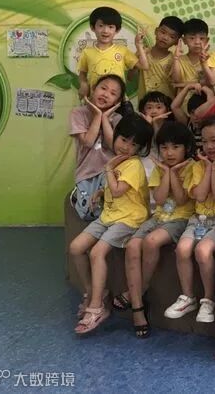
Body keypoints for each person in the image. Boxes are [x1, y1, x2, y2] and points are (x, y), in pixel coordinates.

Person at [69, 114, 153, 334]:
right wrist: (100, 192)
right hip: (109, 215)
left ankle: (97, 308)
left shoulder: (132, 164)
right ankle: (93, 292)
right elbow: (113, 190)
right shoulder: (118, 161)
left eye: (134, 144)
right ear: (115, 136)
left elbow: (117, 190)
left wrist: (107, 169)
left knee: (97, 252)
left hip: (129, 219)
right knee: (76, 247)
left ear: (140, 148)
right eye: (124, 140)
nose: (126, 147)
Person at [116, 122, 196, 338]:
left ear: (187, 148)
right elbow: (159, 199)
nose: (169, 153)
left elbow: (181, 199)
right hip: (158, 217)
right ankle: (138, 307)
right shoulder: (159, 168)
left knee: (151, 242)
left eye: (175, 147)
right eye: (164, 148)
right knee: (132, 246)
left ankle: (137, 293)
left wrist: (172, 174)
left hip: (180, 219)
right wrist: (166, 173)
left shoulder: (192, 167)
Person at [163, 116, 215, 323]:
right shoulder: (198, 166)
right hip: (199, 220)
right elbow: (201, 196)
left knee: (202, 251)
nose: (209, 146)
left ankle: (208, 300)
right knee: (182, 249)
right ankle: (188, 297)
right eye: (204, 141)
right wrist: (209, 168)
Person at [69, 74, 125, 221]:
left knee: (111, 211)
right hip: (86, 172)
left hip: (110, 171)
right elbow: (88, 142)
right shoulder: (78, 113)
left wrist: (105, 118)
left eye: (113, 93)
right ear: (93, 89)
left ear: (117, 101)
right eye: (103, 88)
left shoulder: (117, 119)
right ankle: (78, 196)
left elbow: (115, 147)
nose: (106, 94)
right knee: (88, 213)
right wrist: (97, 115)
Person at [77, 6, 140, 99]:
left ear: (117, 30)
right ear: (92, 27)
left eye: (110, 27)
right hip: (94, 99)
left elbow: (138, 66)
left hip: (118, 100)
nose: (105, 31)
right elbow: (82, 73)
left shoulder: (122, 50)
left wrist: (140, 49)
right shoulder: (87, 52)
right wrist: (83, 84)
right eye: (101, 26)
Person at [137, 15, 184, 98]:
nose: (165, 38)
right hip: (144, 104)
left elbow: (177, 82)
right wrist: (139, 51)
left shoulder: (175, 60)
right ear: (156, 31)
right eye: (163, 32)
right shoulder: (142, 52)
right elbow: (130, 77)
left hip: (166, 104)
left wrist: (176, 59)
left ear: (177, 42)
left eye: (172, 37)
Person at [172, 17, 211, 87]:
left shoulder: (210, 59)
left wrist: (182, 85)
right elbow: (176, 80)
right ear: (184, 40)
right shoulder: (179, 60)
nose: (197, 42)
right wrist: (176, 58)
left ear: (207, 40)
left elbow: (211, 82)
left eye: (201, 38)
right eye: (192, 38)